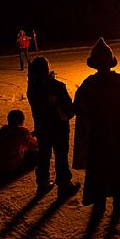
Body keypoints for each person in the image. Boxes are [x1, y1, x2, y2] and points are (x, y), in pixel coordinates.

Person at [73, 37, 120, 218]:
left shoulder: (89, 84)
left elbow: (78, 105)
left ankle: (99, 200)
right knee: (117, 165)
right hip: (118, 134)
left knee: (98, 167)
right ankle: (118, 197)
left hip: (97, 136)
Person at [27, 56, 80, 199]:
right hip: (58, 128)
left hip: (42, 127)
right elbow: (69, 109)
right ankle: (64, 184)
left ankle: (42, 183)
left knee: (43, 155)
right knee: (61, 155)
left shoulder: (32, 87)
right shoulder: (57, 86)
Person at [0, 109, 37, 176]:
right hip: (10, 165)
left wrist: (30, 134)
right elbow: (34, 146)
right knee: (36, 154)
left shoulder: (3, 129)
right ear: (22, 121)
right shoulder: (22, 131)